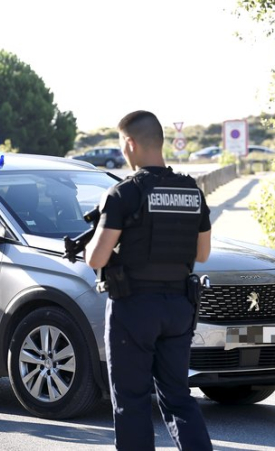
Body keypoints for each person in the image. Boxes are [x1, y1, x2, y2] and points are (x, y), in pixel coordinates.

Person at [85, 111, 213, 450]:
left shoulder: (124, 194)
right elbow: (202, 254)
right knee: (178, 397)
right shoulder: (191, 191)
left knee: (131, 400)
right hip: (179, 309)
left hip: (134, 308)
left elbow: (97, 258)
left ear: (129, 143)